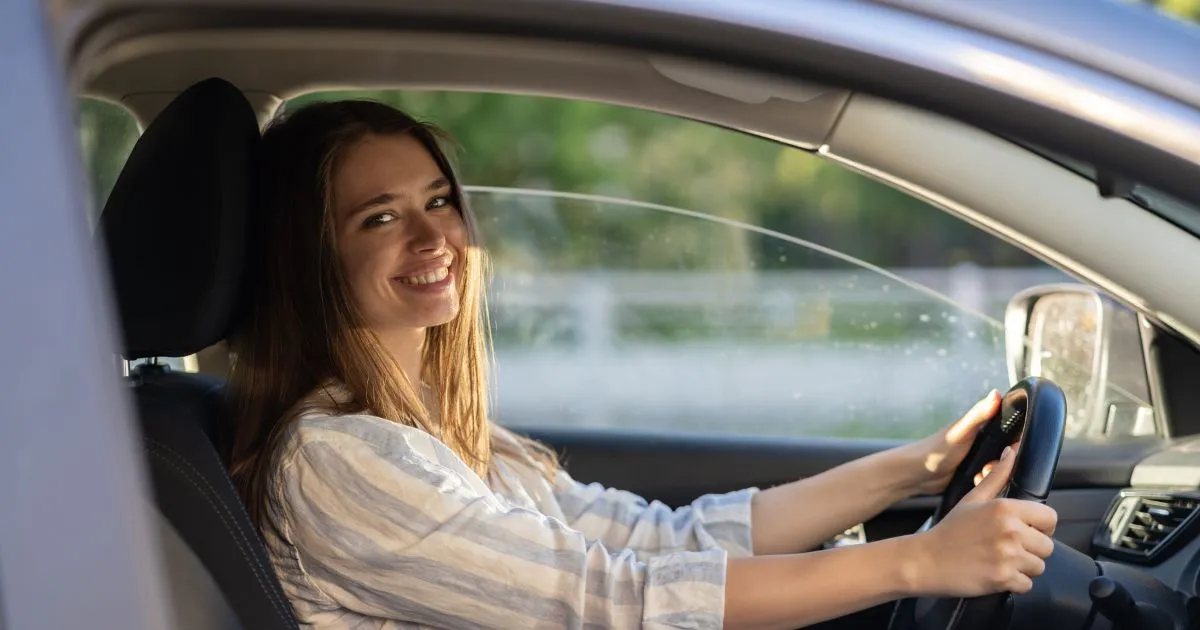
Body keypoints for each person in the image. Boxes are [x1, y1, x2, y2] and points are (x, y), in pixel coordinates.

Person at [227, 99, 1058, 630]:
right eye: (380, 218)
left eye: (439, 200)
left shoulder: (434, 424)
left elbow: (663, 540)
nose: (434, 238)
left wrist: (921, 465)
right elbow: (608, 601)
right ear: (312, 257)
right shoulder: (338, 459)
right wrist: (914, 562)